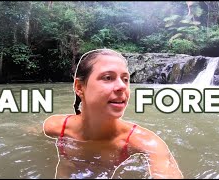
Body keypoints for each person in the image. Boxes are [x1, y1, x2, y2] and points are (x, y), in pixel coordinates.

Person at [43, 49, 183, 179]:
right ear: (79, 87)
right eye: (108, 77)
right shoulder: (55, 126)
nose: (122, 86)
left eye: (125, 79)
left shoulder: (147, 143)